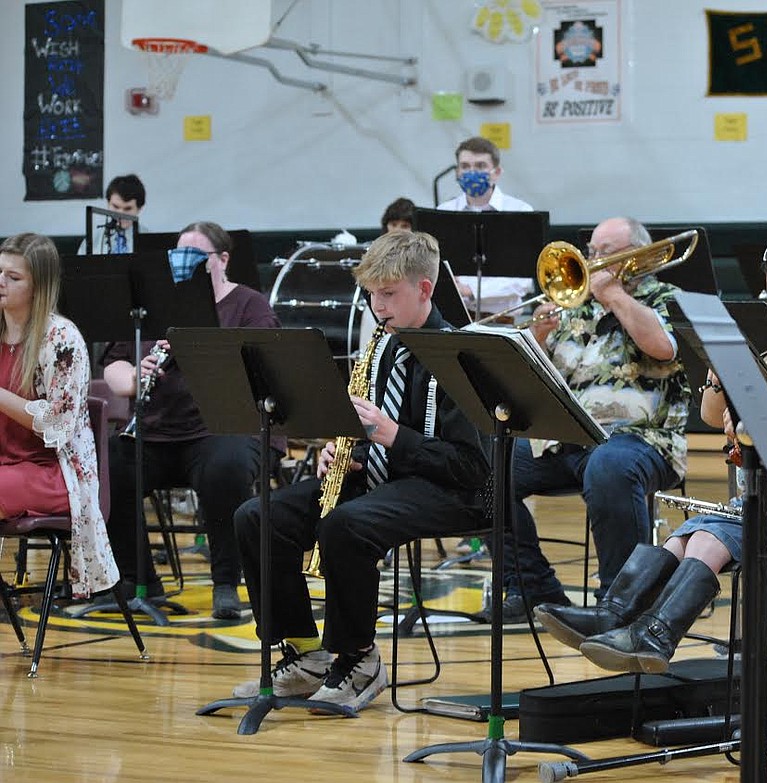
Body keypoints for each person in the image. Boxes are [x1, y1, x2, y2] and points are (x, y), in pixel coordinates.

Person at [535, 230, 767, 674]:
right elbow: (710, 413)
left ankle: (656, 635)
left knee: (712, 535)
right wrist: (722, 369)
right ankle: (615, 614)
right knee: (684, 534)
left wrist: (755, 433)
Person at [231, 230, 489, 713]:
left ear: (425, 290)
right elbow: (366, 431)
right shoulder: (382, 347)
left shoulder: (460, 356)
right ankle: (306, 653)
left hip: (452, 490)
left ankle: (359, 658)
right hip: (382, 479)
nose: (377, 306)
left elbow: (472, 468)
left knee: (346, 524)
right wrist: (341, 451)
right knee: (258, 514)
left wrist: (392, 436)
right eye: (371, 295)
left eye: (388, 294)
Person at [492, 216, 690, 624]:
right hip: (566, 437)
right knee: (483, 468)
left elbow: (663, 348)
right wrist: (539, 339)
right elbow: (536, 384)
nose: (594, 261)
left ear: (640, 256)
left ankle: (620, 605)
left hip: (642, 440)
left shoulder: (666, 297)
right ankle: (531, 585)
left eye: (607, 253)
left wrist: (614, 295)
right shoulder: (570, 308)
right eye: (592, 252)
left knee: (608, 466)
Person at [100, 221, 281, 619]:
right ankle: (136, 577)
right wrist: (135, 376)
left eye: (196, 257)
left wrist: (202, 355)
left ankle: (226, 583)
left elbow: (264, 367)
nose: (185, 265)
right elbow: (113, 363)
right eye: (178, 257)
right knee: (109, 465)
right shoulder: (157, 303)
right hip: (158, 430)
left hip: (226, 428)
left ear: (223, 260)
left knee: (225, 466)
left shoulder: (249, 305)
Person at [0, 233, 120, 598]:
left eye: (13, 277)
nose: (0, 282)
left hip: (54, 472)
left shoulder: (62, 339)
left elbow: (58, 424)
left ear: (39, 286)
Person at [437, 136, 535, 318]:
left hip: (501, 320)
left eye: (480, 166)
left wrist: (470, 290)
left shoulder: (520, 211)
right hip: (453, 317)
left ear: (496, 172)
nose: (471, 172)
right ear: (457, 172)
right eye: (465, 166)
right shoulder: (443, 213)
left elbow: (523, 281)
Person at [80, 174, 146, 255]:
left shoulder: (149, 240)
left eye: (127, 208)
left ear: (139, 208)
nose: (120, 214)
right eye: (115, 206)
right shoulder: (93, 238)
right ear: (108, 203)